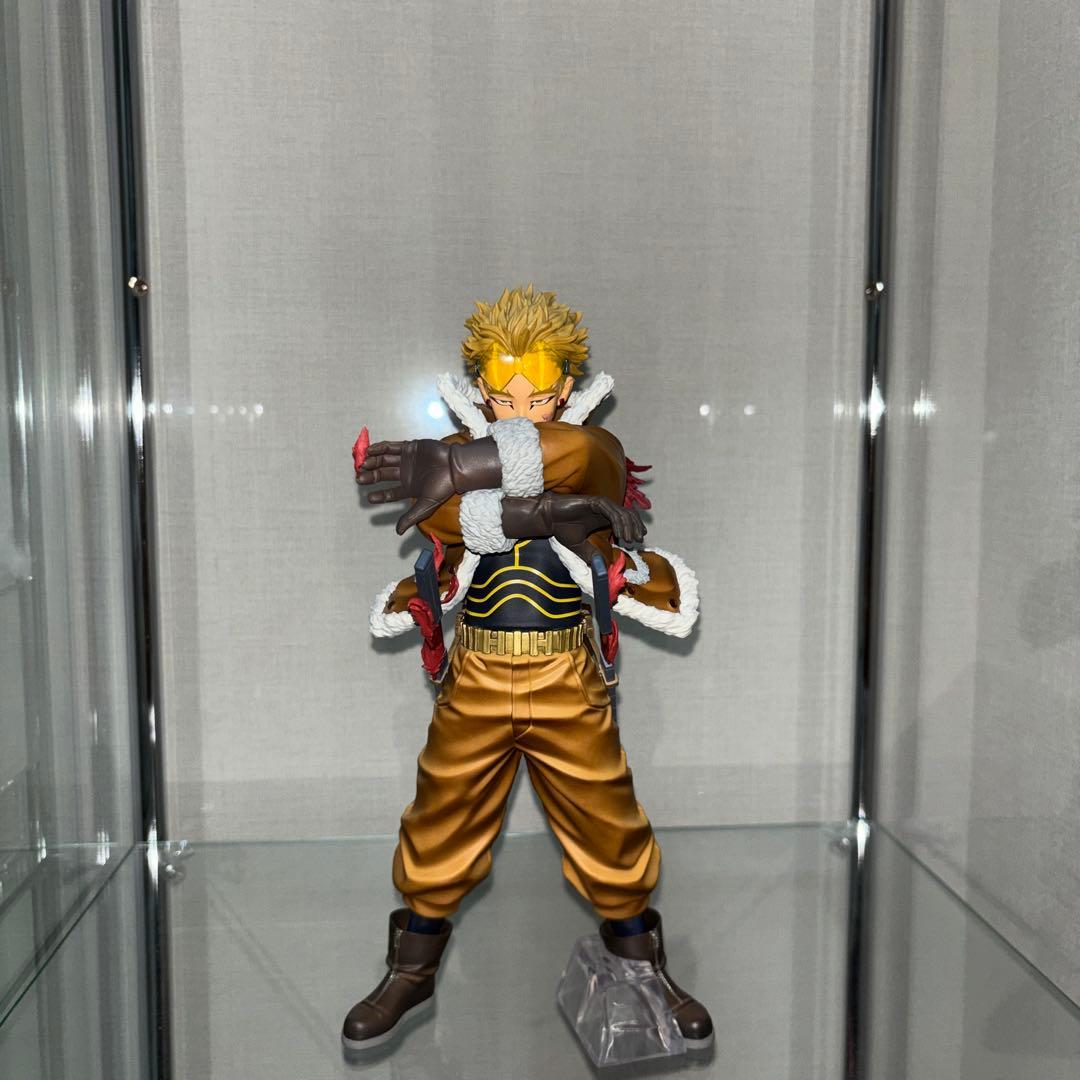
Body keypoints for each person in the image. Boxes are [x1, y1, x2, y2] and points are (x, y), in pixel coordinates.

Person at [343, 284, 710, 1052]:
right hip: (475, 673)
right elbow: (443, 515)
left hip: (566, 675)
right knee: (441, 816)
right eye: (504, 399)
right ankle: (411, 970)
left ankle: (644, 968)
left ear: (566, 388)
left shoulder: (590, 452)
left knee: (606, 819)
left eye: (538, 399)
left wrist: (457, 464)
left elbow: (582, 460)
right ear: (480, 388)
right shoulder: (451, 472)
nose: (520, 413)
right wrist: (543, 514)